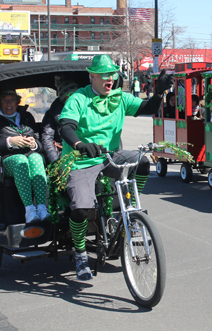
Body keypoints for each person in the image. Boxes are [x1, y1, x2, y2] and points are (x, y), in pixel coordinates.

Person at [58, 55, 174, 281]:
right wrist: (80, 145)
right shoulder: (78, 99)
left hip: (110, 156)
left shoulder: (119, 98)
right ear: (91, 76)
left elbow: (147, 107)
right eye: (103, 75)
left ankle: (130, 209)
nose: (109, 79)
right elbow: (66, 127)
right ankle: (81, 254)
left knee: (141, 160)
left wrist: (159, 93)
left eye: (111, 74)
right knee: (81, 209)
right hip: (81, 160)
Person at [0, 90, 49, 223]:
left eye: (12, 100)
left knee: (36, 158)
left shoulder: (27, 117)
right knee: (21, 160)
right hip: (8, 158)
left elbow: (40, 142)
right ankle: (30, 210)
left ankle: (42, 207)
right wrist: (10, 141)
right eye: (5, 100)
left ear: (17, 102)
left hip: (30, 154)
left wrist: (33, 144)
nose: (9, 104)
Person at [41, 77, 80, 163]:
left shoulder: (86, 110)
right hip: (63, 154)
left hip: (83, 152)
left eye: (76, 95)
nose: (73, 99)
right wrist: (57, 162)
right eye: (70, 96)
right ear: (63, 99)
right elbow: (47, 139)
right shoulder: (52, 114)